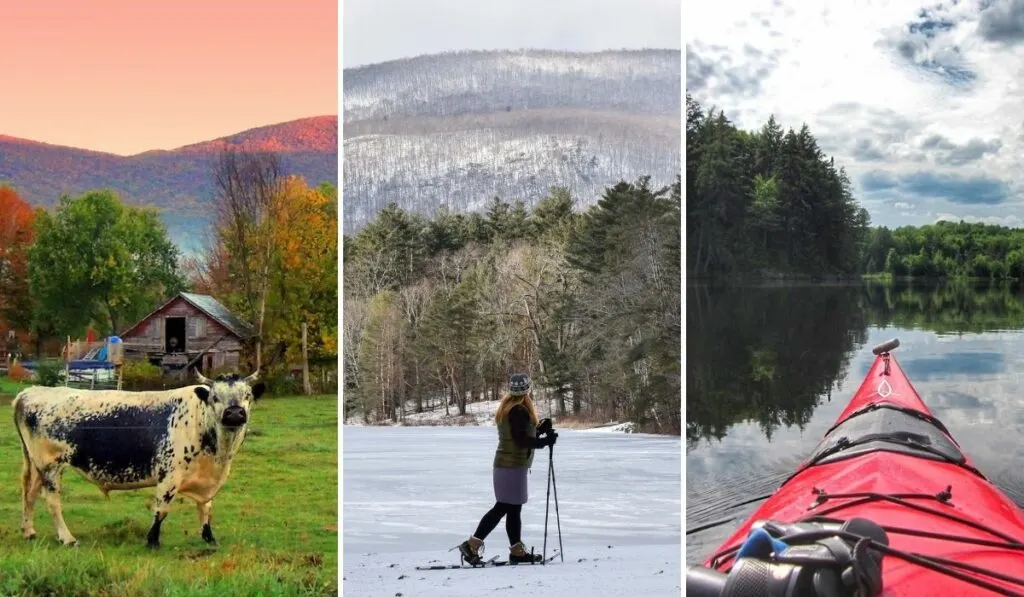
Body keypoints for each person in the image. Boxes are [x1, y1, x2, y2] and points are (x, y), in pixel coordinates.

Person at [458, 372, 558, 565]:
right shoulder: (519, 410)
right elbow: (521, 441)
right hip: (511, 466)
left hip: (510, 465)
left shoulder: (510, 407)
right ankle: (471, 545)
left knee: (513, 509)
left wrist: (539, 431)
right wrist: (544, 442)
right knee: (503, 507)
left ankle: (517, 551)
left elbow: (519, 435)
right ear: (527, 390)